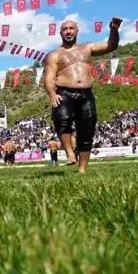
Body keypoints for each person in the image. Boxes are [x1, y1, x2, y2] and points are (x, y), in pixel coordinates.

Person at [43, 18, 122, 173]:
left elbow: (111, 46)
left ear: (77, 31)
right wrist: (52, 94)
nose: (68, 31)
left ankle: (82, 169)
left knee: (87, 130)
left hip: (86, 93)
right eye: (65, 29)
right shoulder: (55, 55)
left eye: (71, 28)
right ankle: (70, 154)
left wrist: (114, 29)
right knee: (61, 119)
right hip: (64, 92)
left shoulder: (87, 47)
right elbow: (48, 78)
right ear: (60, 33)